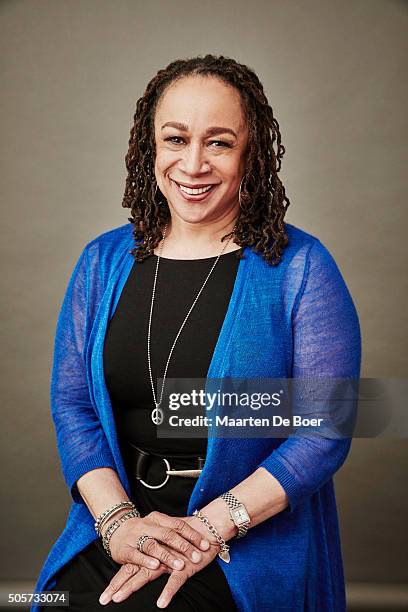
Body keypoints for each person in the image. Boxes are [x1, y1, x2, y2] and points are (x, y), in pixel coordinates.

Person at [33, 54, 361, 612]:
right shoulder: (101, 261)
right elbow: (73, 406)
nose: (193, 164)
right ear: (150, 148)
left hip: (244, 537)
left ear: (250, 154)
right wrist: (118, 525)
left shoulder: (301, 267)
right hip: (122, 524)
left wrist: (205, 531)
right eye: (176, 139)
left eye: (219, 143)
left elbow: (324, 428)